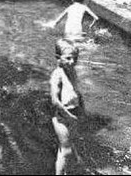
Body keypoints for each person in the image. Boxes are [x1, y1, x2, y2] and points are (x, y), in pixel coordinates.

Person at [50, 38, 85, 175]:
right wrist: (69, 116)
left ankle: (70, 170)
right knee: (66, 150)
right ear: (58, 58)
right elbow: (55, 102)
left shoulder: (72, 71)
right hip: (62, 117)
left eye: (75, 58)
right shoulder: (57, 75)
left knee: (69, 146)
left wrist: (82, 109)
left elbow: (77, 93)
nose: (72, 62)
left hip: (73, 113)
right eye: (68, 58)